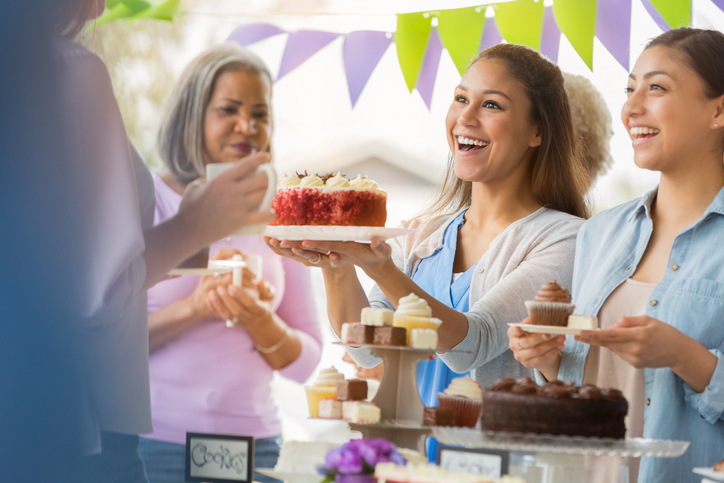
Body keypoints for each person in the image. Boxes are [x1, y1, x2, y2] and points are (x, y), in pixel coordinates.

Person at [267, 44, 588, 456]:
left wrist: (382, 270)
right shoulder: (424, 234)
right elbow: (364, 349)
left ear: (537, 131)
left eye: (491, 104)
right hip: (407, 463)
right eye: (460, 99)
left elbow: (472, 342)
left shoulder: (566, 238)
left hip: (493, 471)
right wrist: (336, 261)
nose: (465, 119)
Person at [55, 2, 275, 482]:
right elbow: (101, 288)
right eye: (228, 110)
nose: (105, 5)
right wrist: (193, 229)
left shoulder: (272, 224)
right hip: (87, 421)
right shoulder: (69, 70)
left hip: (252, 442)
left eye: (261, 113)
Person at [509, 27, 724, 483]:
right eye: (630, 90)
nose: (631, 108)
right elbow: (582, 381)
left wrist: (685, 355)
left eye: (657, 88)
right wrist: (548, 360)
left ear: (719, 111)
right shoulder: (600, 234)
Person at [137, 44, 322, 483]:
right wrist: (196, 307)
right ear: (192, 115)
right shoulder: (149, 202)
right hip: (153, 448)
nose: (248, 126)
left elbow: (306, 365)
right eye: (229, 109)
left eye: (260, 113)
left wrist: (260, 319)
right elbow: (101, 345)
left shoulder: (278, 215)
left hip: (256, 451)